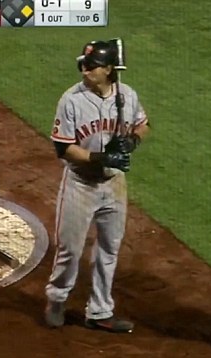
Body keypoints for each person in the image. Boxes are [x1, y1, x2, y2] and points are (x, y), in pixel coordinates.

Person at [44, 39, 150, 333]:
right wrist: (99, 156)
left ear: (108, 69)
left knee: (109, 249)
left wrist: (132, 140)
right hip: (80, 183)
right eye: (84, 64)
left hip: (114, 184)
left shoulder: (126, 96)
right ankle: (57, 299)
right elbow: (63, 148)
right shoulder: (72, 100)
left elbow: (143, 123)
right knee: (70, 249)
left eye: (92, 66)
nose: (85, 70)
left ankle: (100, 310)